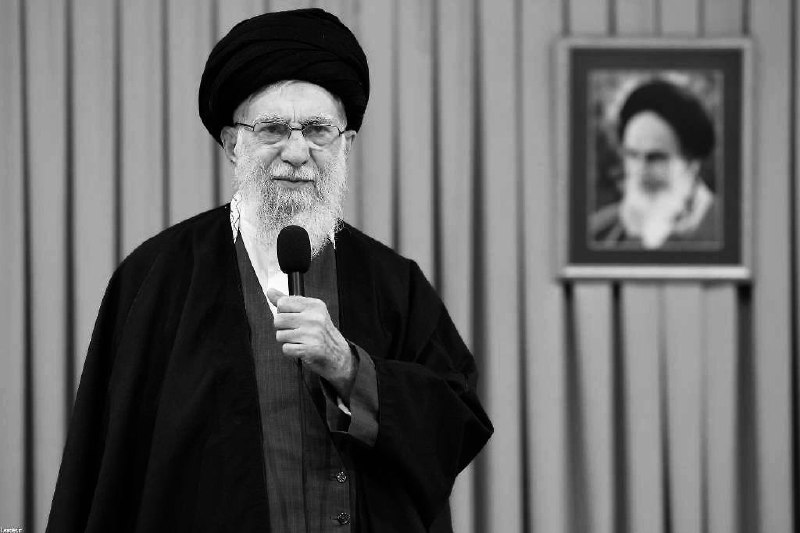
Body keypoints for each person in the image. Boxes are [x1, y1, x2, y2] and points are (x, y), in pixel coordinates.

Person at [46, 9, 492, 533]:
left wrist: (349, 367)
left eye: (318, 130)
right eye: (272, 129)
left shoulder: (394, 282)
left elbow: (455, 423)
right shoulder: (156, 277)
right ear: (233, 144)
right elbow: (111, 464)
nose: (297, 152)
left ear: (346, 144)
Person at [590, 78, 720, 249]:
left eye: (655, 158)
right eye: (632, 155)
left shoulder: (728, 230)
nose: (640, 171)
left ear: (691, 165)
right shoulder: (599, 232)